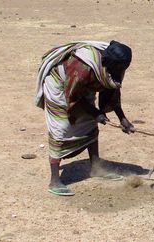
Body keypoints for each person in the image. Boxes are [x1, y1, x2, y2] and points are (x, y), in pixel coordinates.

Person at [35, 40, 136, 196]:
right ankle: (54, 180)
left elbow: (112, 88)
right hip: (61, 84)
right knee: (61, 128)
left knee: (90, 123)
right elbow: (73, 96)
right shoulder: (83, 67)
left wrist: (122, 118)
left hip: (81, 85)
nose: (123, 71)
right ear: (111, 64)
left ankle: (96, 167)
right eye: (121, 68)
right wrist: (96, 113)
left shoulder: (116, 64)